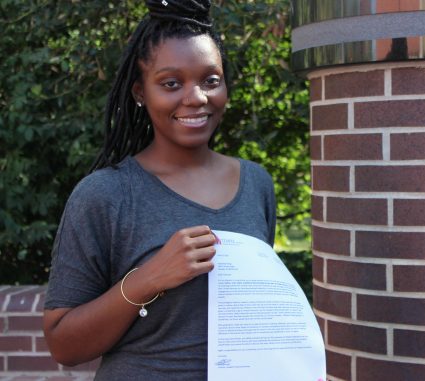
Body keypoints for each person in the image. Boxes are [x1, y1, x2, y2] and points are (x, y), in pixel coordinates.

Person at [42, 0, 276, 379]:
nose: (196, 97)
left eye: (210, 80)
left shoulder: (257, 184)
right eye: (171, 83)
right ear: (140, 92)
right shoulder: (105, 195)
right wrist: (149, 277)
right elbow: (63, 345)